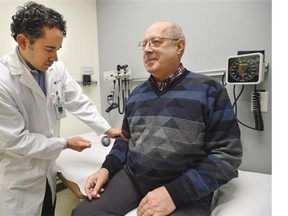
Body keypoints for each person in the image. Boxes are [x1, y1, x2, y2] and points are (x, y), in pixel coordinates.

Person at [72, 21, 243, 216]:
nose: (147, 49)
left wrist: (174, 194)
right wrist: (106, 169)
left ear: (179, 46)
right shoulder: (137, 94)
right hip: (134, 178)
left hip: (183, 184)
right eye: (143, 44)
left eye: (155, 42)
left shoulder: (209, 90)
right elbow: (124, 140)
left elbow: (227, 156)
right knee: (82, 214)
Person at [0, 2, 125, 216]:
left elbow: (77, 100)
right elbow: (16, 140)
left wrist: (106, 128)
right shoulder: (4, 81)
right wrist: (65, 143)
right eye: (49, 49)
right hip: (19, 181)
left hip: (47, 172)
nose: (55, 58)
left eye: (57, 49)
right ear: (23, 41)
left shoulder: (55, 69)